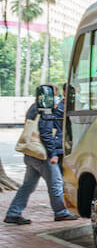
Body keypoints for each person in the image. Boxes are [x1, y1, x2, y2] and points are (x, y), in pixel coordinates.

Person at [4, 84, 80, 225]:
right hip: (43, 155)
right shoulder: (46, 109)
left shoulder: (34, 107)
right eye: (55, 94)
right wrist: (53, 154)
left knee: (28, 185)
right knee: (55, 183)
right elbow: (46, 133)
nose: (55, 97)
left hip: (31, 153)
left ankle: (13, 213)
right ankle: (61, 212)